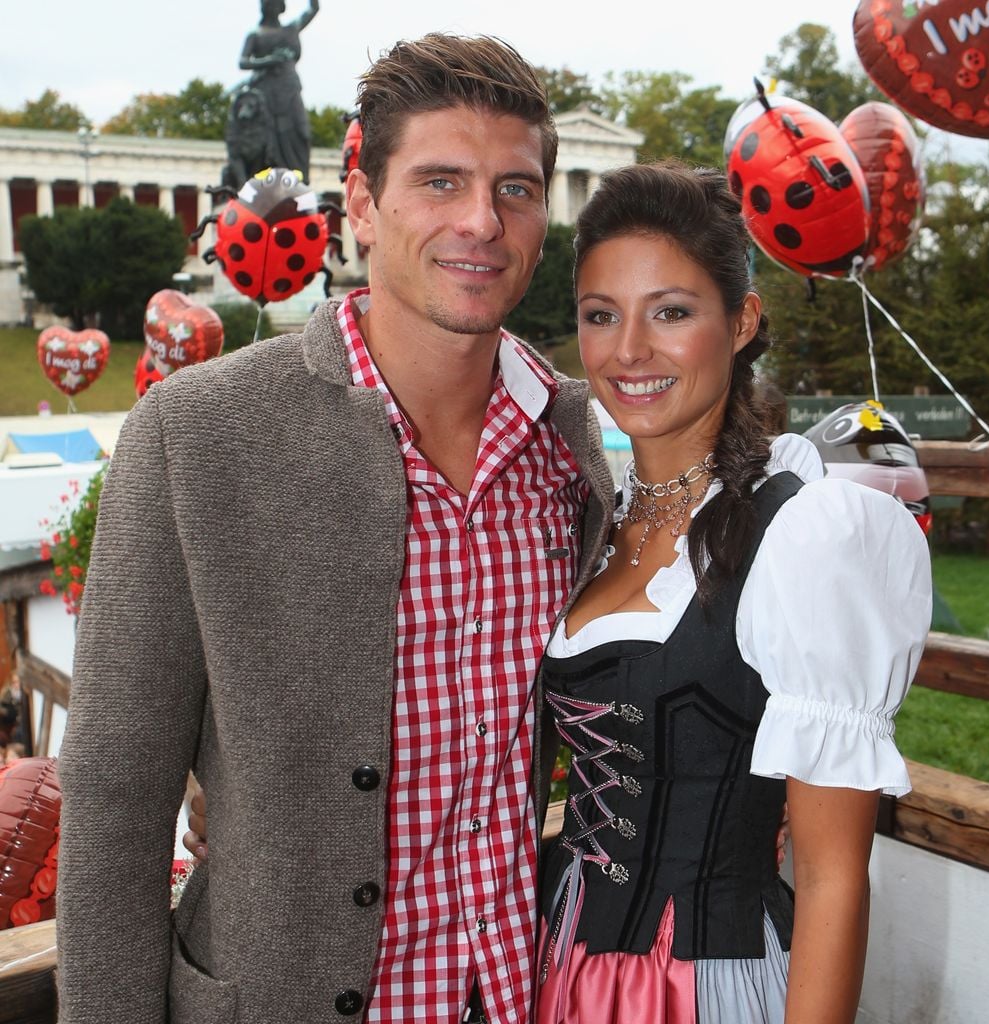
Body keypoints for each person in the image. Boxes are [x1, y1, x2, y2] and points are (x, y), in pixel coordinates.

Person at [56, 34, 614, 1024]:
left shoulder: (567, 440)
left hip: (516, 996)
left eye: (515, 189)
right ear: (360, 201)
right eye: (438, 181)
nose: (481, 222)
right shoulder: (196, 432)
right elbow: (114, 792)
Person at [533, 162, 932, 1023]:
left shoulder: (801, 538)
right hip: (554, 964)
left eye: (671, 312)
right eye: (601, 315)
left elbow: (831, 878)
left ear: (742, 320)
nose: (629, 349)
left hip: (701, 986)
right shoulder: (584, 516)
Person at [231, 0, 320, 185]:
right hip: (266, 93)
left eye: (275, 3)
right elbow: (243, 62)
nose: (271, 6)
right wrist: (271, 59)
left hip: (289, 88)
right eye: (268, 3)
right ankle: (270, 183)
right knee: (269, 141)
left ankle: (300, 184)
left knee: (302, 134)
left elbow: (313, 9)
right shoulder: (255, 35)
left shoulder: (291, 28)